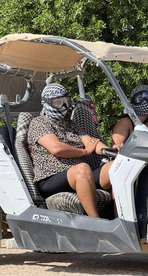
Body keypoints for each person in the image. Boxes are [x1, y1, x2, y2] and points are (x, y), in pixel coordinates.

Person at [27, 83, 113, 218]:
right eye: (58, 102)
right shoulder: (39, 123)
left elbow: (91, 142)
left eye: (65, 102)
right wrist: (84, 152)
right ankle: (95, 221)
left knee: (116, 165)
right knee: (83, 169)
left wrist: (111, 151)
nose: (63, 107)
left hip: (81, 176)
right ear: (47, 103)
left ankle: (119, 220)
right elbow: (56, 148)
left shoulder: (71, 124)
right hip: (51, 178)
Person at [112, 84, 148, 152]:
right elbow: (114, 151)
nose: (144, 101)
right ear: (133, 101)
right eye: (139, 98)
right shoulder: (125, 123)